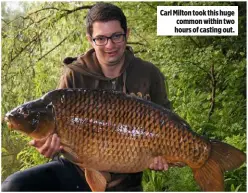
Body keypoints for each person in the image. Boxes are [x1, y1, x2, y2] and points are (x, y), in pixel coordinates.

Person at [2, 2, 171, 191]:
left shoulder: (148, 74)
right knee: (13, 186)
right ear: (90, 39)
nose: (110, 45)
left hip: (126, 178)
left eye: (116, 36)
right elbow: (54, 136)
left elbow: (169, 128)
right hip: (77, 171)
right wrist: (50, 148)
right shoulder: (74, 75)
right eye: (101, 38)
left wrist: (162, 157)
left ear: (127, 34)